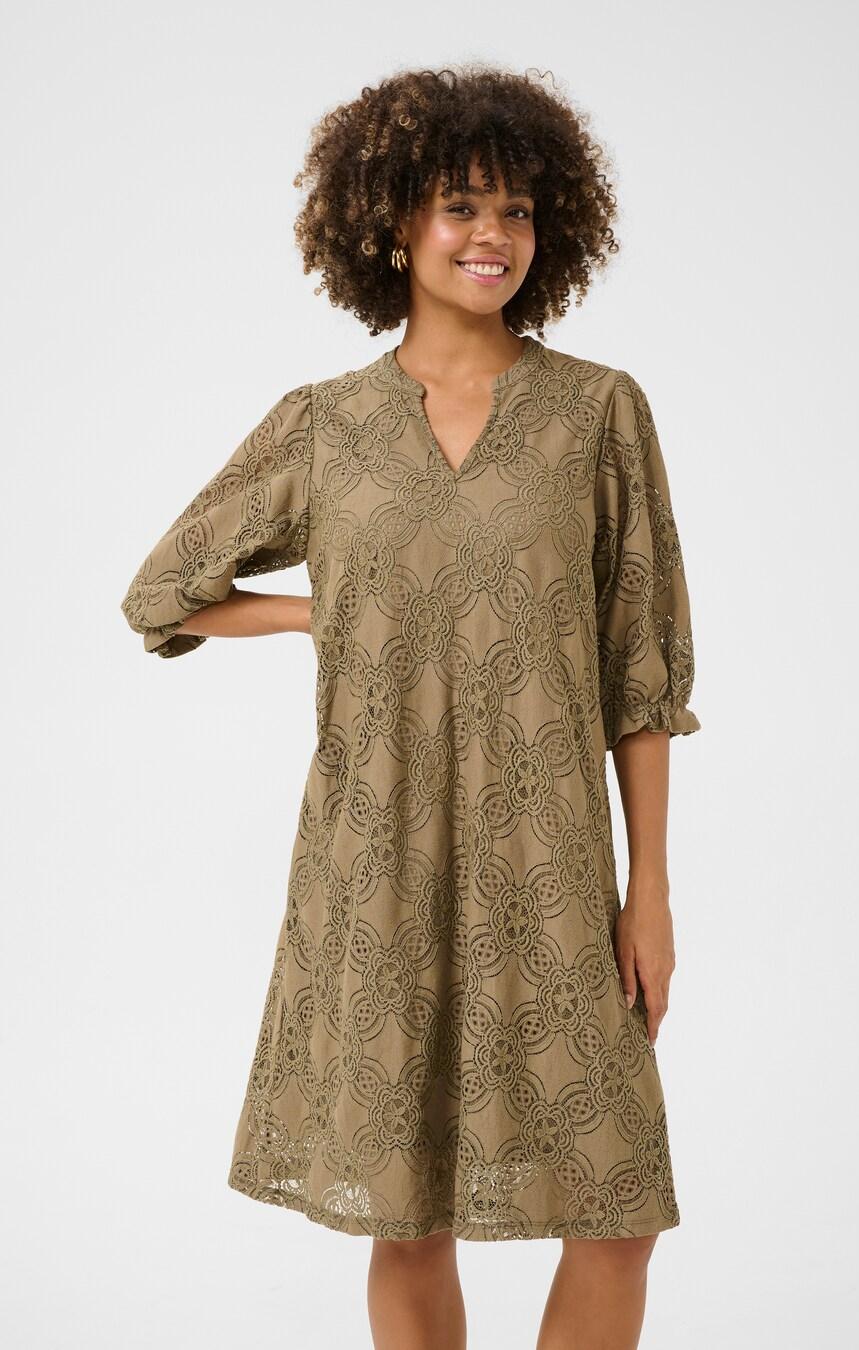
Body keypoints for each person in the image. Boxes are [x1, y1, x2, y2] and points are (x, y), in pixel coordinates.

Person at [121, 62, 701, 1350]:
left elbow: (643, 670)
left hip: (555, 872)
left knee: (617, 1213)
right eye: (461, 206)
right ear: (393, 223)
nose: (492, 235)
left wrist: (650, 887)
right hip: (377, 866)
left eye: (517, 211)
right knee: (407, 1213)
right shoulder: (326, 428)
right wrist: (323, 610)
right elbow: (163, 592)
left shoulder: (597, 413)